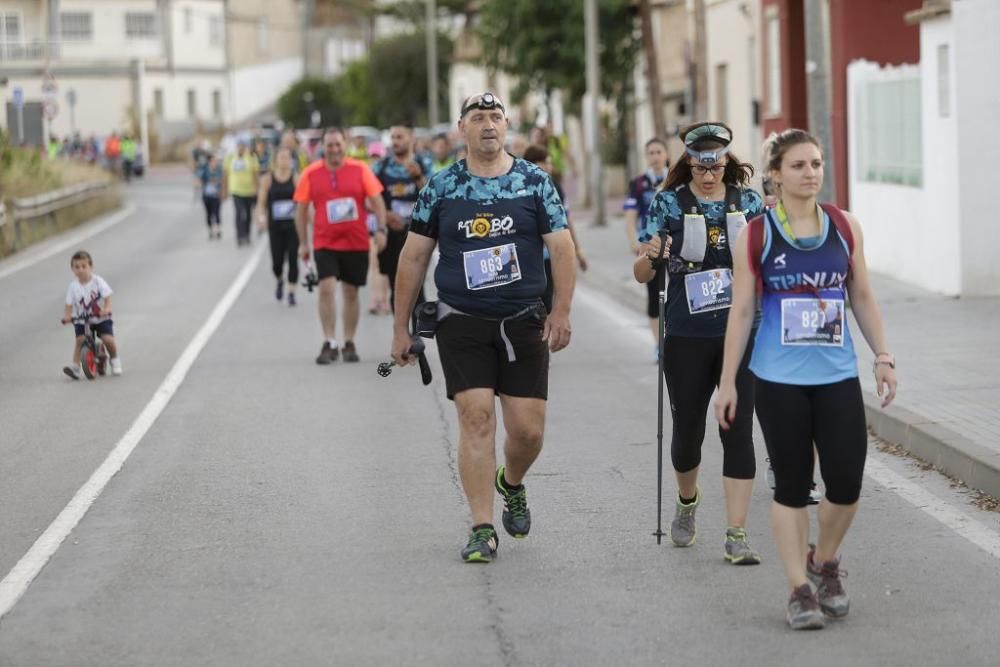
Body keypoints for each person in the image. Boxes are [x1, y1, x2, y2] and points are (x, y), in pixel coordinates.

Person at [714, 129, 897, 630]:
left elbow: (861, 295)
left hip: (836, 375)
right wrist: (728, 382)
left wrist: (882, 355)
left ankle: (824, 559)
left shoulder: (844, 226)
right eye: (798, 165)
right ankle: (799, 588)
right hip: (778, 379)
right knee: (792, 487)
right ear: (776, 173)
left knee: (847, 482)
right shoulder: (757, 232)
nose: (810, 172)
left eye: (815, 163)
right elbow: (743, 308)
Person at [391, 92, 576, 563]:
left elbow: (562, 249)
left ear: (507, 125)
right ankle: (481, 527)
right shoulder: (443, 186)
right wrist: (399, 328)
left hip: (523, 321)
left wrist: (562, 311)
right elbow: (413, 256)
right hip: (462, 321)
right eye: (478, 118)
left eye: (496, 117)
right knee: (476, 419)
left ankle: (510, 481)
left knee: (528, 432)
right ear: (462, 128)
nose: (488, 125)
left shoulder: (535, 182)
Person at [633, 121, 764, 564]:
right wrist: (652, 256)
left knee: (737, 429)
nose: (709, 173)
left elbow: (769, 259)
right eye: (701, 165)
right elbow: (641, 272)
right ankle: (687, 503)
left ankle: (737, 532)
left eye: (716, 165)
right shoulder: (668, 202)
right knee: (688, 433)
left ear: (726, 162)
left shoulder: (747, 202)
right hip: (687, 334)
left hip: (739, 333)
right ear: (688, 160)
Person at [294, 127, 387, 364]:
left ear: (344, 145)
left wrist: (381, 229)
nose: (334, 149)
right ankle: (329, 341)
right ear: (322, 148)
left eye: (337, 144)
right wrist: (303, 243)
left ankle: (348, 341)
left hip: (356, 242)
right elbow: (301, 210)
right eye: (329, 145)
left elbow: (377, 201)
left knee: (350, 291)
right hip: (325, 241)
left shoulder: (360, 169)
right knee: (325, 288)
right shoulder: (311, 173)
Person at [522, 143, 588, 311]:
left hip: (550, 256)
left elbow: (566, 221)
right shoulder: (519, 188)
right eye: (543, 162)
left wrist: (578, 252)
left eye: (549, 162)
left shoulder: (555, 187)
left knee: (548, 304)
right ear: (532, 164)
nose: (548, 167)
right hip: (528, 258)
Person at [374, 123, 428, 311]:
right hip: (391, 232)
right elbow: (369, 198)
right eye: (393, 137)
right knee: (394, 284)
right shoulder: (381, 166)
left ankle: (416, 335)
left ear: (411, 139)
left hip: (417, 233)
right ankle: (401, 332)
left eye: (400, 137)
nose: (395, 141)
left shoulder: (423, 163)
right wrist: (386, 215)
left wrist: (419, 178)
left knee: (416, 284)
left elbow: (433, 197)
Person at [624, 137, 670, 358]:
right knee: (655, 295)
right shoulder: (639, 183)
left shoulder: (675, 180)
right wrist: (634, 242)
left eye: (658, 151)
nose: (655, 156)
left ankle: (675, 338)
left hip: (677, 244)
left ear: (666, 154)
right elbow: (630, 215)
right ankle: (658, 344)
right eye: (650, 152)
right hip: (651, 245)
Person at [61, 250, 122, 379]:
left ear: (91, 266)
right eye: (77, 267)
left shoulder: (98, 281)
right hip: (82, 319)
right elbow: (68, 304)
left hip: (100, 318)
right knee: (80, 340)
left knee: (107, 339)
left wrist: (107, 308)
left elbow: (107, 296)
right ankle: (76, 368)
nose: (81, 270)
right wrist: (67, 316)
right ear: (72, 269)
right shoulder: (73, 287)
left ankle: (115, 359)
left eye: (84, 266)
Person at [257, 147, 300, 306]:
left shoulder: (296, 178)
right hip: (275, 226)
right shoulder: (268, 179)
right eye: (281, 158)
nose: (284, 161)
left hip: (292, 226)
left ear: (291, 160)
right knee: (277, 261)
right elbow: (261, 203)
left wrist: (306, 219)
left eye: (287, 158)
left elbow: (302, 203)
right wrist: (261, 217)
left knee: (294, 259)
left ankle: (291, 291)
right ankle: (280, 279)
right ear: (276, 160)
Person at [223, 139, 260, 246]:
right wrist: (224, 190)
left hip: (249, 190)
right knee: (239, 212)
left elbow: (255, 174)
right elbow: (225, 174)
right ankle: (239, 235)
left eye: (243, 145)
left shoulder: (251, 157)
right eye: (239, 145)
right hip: (235, 190)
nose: (241, 147)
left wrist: (257, 189)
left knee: (248, 214)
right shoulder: (230, 157)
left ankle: (247, 234)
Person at [197, 153, 224, 240]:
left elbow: (222, 180)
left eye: (215, 161)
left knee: (217, 213)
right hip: (207, 195)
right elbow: (199, 179)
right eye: (213, 161)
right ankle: (210, 231)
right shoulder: (205, 170)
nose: (215, 162)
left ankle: (218, 230)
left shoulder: (219, 170)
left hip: (216, 195)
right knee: (209, 214)